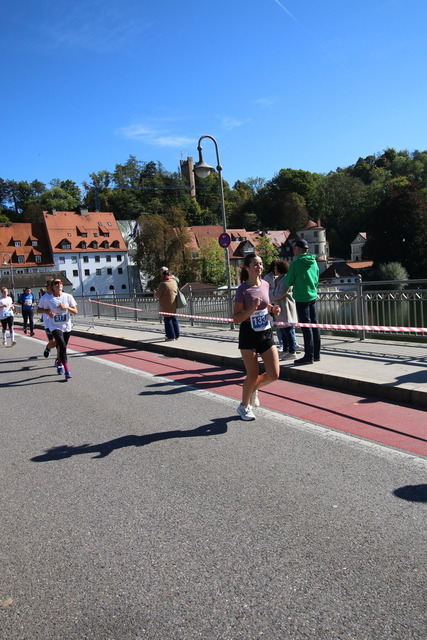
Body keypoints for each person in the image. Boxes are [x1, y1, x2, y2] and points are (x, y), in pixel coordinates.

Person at [233, 253, 281, 421]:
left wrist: (272, 309)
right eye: (255, 264)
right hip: (248, 333)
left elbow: (265, 305)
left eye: (260, 264)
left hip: (266, 332)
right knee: (252, 374)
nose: (259, 267)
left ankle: (253, 389)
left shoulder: (266, 284)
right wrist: (251, 309)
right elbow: (236, 318)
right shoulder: (242, 290)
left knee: (274, 374)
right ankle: (244, 406)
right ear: (247, 268)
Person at [285, 239, 321, 365]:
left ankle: (308, 356)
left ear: (298, 250)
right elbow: (317, 278)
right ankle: (316, 354)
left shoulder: (296, 264)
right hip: (312, 296)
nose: (294, 250)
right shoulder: (314, 261)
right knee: (314, 325)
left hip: (301, 297)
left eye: (295, 248)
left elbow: (288, 281)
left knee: (306, 327)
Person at [38, 280, 78, 379]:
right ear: (52, 287)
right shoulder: (47, 298)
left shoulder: (68, 296)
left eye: (60, 283)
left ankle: (59, 362)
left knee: (63, 347)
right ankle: (67, 370)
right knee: (61, 345)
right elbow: (39, 309)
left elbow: (75, 311)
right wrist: (48, 312)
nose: (59, 284)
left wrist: (67, 307)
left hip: (66, 326)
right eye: (56, 283)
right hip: (53, 325)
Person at [270, 260, 299, 360]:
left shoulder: (286, 279)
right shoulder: (279, 279)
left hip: (286, 308)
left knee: (288, 330)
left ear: (280, 269)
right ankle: (285, 350)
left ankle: (292, 351)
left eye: (275, 268)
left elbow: (280, 293)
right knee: (283, 330)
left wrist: (268, 296)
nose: (274, 269)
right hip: (281, 308)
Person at [262, 258, 283, 352]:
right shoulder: (268, 277)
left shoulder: (281, 277)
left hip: (278, 303)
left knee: (284, 325)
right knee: (277, 325)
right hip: (271, 304)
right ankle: (281, 344)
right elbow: (265, 291)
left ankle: (289, 344)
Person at [155, 267, 180, 341]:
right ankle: (176, 335)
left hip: (165, 304)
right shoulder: (174, 282)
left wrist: (155, 292)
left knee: (167, 319)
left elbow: (157, 295)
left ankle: (170, 336)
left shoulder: (163, 284)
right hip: (174, 303)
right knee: (174, 318)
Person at [38, 280, 57, 359]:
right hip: (48, 323)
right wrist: (46, 311)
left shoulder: (58, 295)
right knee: (52, 343)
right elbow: (38, 309)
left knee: (59, 342)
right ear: (48, 286)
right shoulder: (44, 297)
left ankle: (59, 359)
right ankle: (48, 348)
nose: (54, 286)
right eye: (52, 284)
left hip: (58, 322)